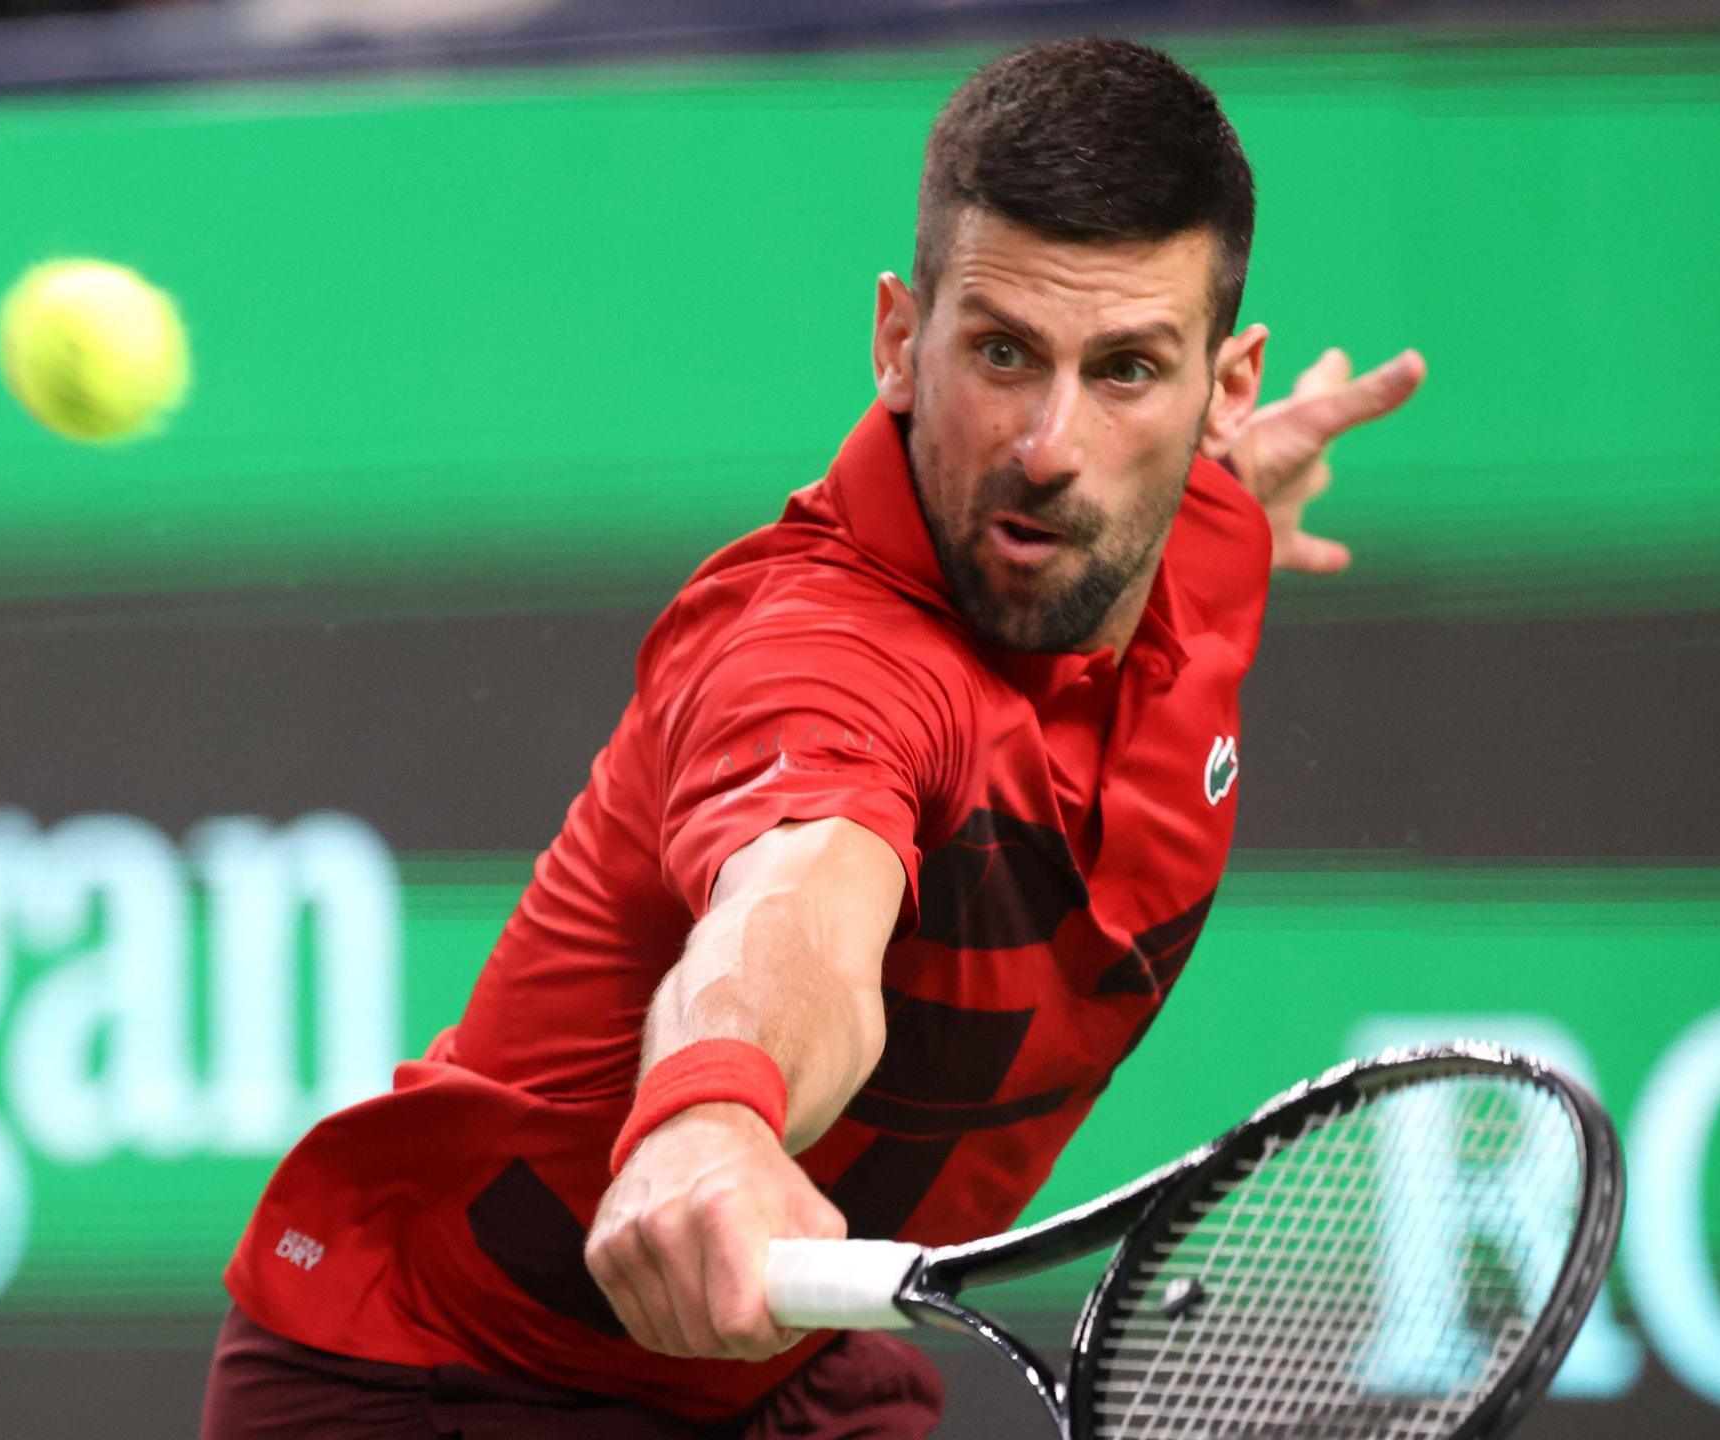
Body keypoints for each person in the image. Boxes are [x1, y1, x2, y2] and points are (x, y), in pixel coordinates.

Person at [204, 35, 1425, 1439]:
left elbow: (1167, 514)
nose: (1048, 444)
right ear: (900, 341)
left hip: (782, 1366)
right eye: (1002, 353)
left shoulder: (1177, 534)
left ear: (1225, 387)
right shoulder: (820, 654)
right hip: (446, 1379)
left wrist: (1230, 509)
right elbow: (795, 898)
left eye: (1129, 371)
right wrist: (715, 1111)